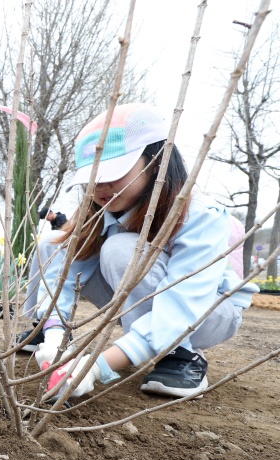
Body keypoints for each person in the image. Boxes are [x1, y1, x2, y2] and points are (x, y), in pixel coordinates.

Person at [19, 103, 258, 400]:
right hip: (149, 303)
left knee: (120, 250)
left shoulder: (199, 215)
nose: (100, 186)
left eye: (113, 173)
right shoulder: (102, 211)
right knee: (54, 245)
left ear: (155, 162)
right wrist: (55, 336)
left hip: (208, 312)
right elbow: (62, 276)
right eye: (93, 178)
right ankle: (47, 330)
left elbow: (181, 303)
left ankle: (182, 356)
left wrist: (95, 367)